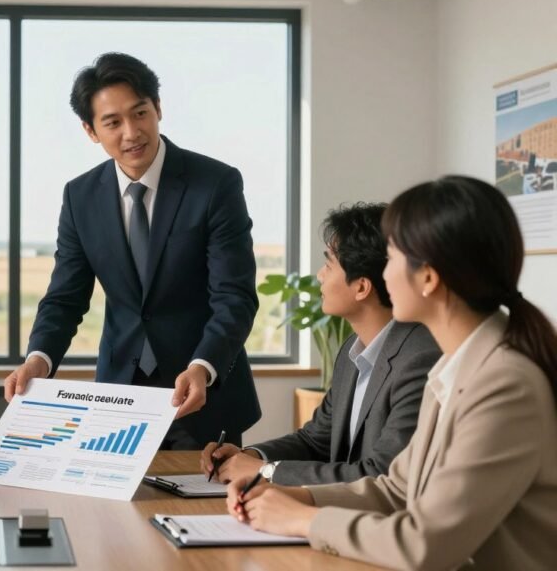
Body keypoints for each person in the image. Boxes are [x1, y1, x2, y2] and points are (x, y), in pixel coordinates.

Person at [226, 176, 557, 570]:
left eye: (394, 257)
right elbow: (396, 489)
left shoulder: (505, 386)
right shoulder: (455, 368)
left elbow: (425, 544)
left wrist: (303, 520)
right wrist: (302, 498)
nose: (383, 273)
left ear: (428, 278)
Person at [4, 52, 260, 448]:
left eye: (140, 113)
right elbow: (65, 297)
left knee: (201, 509)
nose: (131, 132)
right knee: (112, 510)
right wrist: (40, 358)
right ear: (91, 131)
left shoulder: (215, 184)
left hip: (201, 395)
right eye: (113, 122)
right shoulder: (80, 196)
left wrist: (203, 366)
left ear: (158, 108)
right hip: (118, 397)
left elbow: (235, 297)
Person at [202, 203, 440, 485]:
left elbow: (381, 474)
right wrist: (251, 455)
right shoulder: (353, 349)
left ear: (361, 287)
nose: (319, 275)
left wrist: (264, 472)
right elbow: (317, 440)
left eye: (329, 264)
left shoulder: (419, 358)